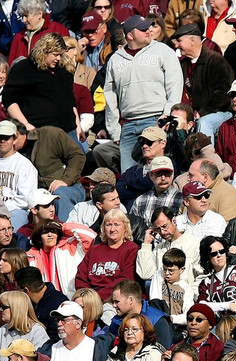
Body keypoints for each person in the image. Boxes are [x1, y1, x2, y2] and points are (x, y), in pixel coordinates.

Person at [103, 15, 182, 173]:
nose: (149, 31)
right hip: (128, 124)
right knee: (129, 175)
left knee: (155, 172)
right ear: (130, 35)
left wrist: (168, 114)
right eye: (143, 29)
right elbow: (110, 96)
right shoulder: (115, 59)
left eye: (149, 27)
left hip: (156, 119)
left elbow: (175, 84)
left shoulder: (163, 51)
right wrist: (114, 130)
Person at [75, 209, 138, 301]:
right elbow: (81, 278)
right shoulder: (94, 250)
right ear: (103, 228)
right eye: (108, 225)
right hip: (89, 299)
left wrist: (97, 298)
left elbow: (126, 280)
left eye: (117, 224)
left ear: (125, 227)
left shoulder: (132, 249)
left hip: (115, 299)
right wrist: (87, 297)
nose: (112, 229)